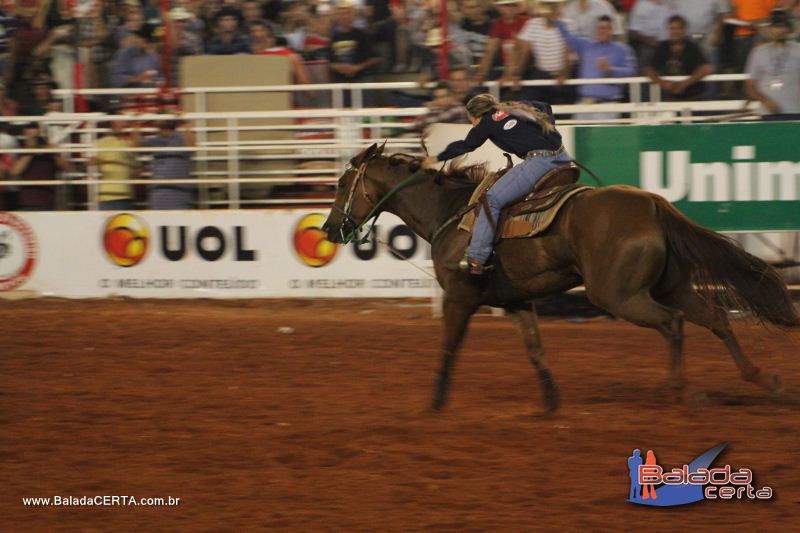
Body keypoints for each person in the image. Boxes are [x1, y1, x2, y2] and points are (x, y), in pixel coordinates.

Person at [421, 93, 570, 274]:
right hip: (562, 157)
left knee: (491, 200)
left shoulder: (486, 122)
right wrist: (548, 131)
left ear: (476, 115)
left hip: (539, 162)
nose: (473, 125)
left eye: (471, 121)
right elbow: (545, 105)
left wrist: (436, 158)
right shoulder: (516, 106)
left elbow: (467, 145)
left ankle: (476, 258)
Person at [555, 15, 637, 117]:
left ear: (612, 30)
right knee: (578, 132)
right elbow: (568, 37)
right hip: (584, 103)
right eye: (599, 28)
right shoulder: (586, 45)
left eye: (605, 28)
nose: (601, 31)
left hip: (607, 105)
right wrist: (555, 20)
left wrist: (611, 70)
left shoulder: (622, 49)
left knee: (603, 133)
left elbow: (631, 72)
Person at [512, 0, 574, 105]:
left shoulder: (568, 24)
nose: (550, 10)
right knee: (528, 106)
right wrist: (517, 74)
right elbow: (524, 50)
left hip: (562, 76)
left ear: (559, 8)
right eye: (547, 6)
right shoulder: (532, 24)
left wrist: (564, 73)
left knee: (561, 110)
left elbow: (568, 51)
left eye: (554, 6)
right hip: (540, 74)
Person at [745, 8, 800, 117]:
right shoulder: (758, 52)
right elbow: (750, 87)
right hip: (767, 113)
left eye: (782, 26)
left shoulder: (798, 50)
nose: (779, 30)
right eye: (776, 26)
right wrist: (765, 101)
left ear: (789, 29)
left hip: (795, 111)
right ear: (769, 28)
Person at [645, 15, 713, 101]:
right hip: (671, 99)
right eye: (672, 28)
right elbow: (649, 69)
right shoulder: (662, 47)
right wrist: (662, 83)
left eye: (678, 28)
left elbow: (706, 68)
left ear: (684, 30)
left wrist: (685, 84)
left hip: (694, 98)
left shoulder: (693, 47)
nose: (675, 32)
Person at [10, 122, 70, 211]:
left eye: (36, 134)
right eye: (30, 134)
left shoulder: (50, 150)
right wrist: (29, 151)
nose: (33, 137)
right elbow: (14, 171)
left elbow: (68, 168)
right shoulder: (22, 150)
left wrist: (55, 153)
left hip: (48, 202)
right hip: (27, 201)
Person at [139, 120, 195, 210]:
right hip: (159, 194)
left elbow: (192, 146)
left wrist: (183, 122)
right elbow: (136, 148)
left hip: (180, 193)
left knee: (180, 222)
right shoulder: (154, 141)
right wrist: (136, 124)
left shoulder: (180, 137)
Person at [91, 117, 141, 211]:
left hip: (126, 197)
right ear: (112, 123)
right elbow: (91, 162)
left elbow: (137, 169)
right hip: (109, 197)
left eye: (123, 121)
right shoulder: (101, 143)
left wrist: (136, 126)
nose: (123, 123)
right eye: (119, 120)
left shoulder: (126, 143)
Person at [474, 0, 529, 84]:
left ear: (518, 7)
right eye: (506, 5)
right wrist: (480, 74)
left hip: (526, 68)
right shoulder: (498, 24)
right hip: (504, 68)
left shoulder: (527, 22)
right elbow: (489, 51)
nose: (509, 8)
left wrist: (508, 75)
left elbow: (520, 50)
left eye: (512, 5)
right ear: (499, 8)